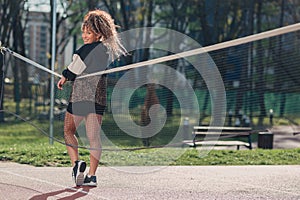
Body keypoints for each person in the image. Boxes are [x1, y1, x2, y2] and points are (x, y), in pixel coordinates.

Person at [57, 9, 127, 187]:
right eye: (84, 32)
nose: (84, 36)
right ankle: (92, 176)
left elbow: (75, 69)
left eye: (89, 32)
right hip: (99, 95)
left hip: (82, 93)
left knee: (68, 130)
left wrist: (64, 76)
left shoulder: (85, 49)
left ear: (98, 34)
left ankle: (76, 165)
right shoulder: (105, 51)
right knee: (94, 137)